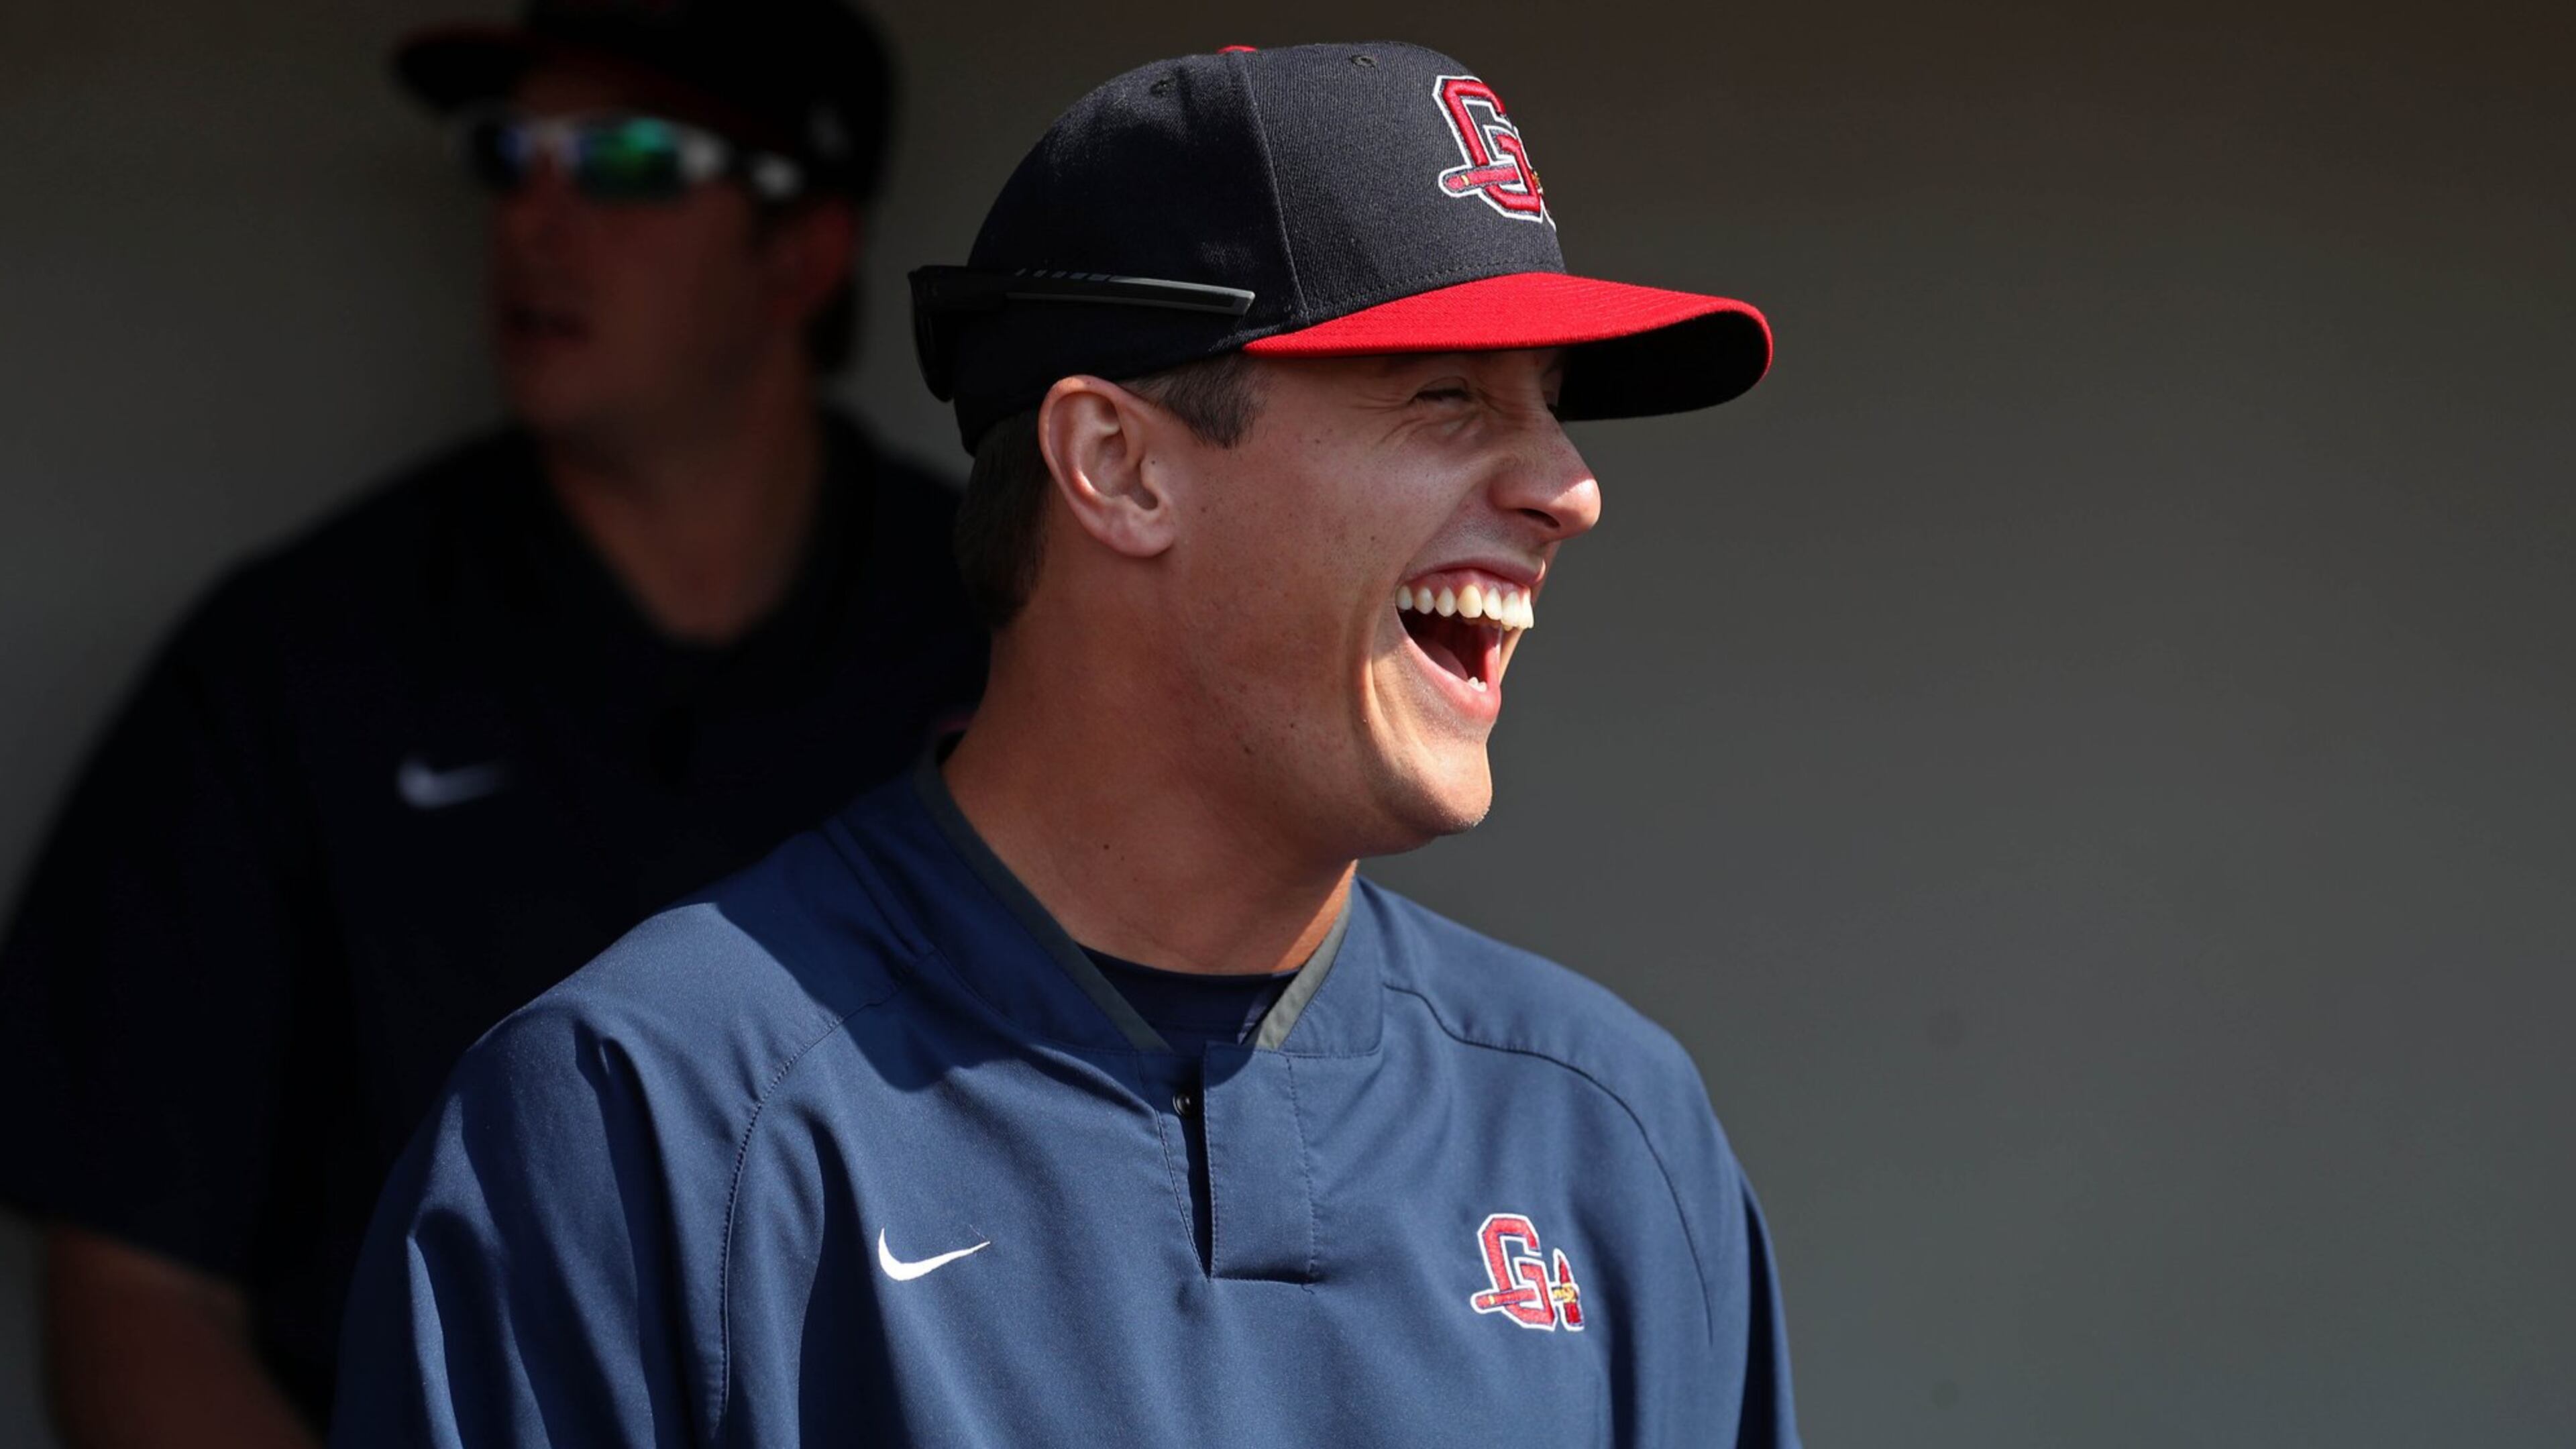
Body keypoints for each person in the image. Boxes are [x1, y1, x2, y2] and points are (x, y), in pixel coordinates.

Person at [333, 40, 1795, 1447]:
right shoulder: (638, 1122)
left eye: (1550, 408)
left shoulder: (1612, 1132)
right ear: (1117, 466)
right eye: (1446, 397)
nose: (1569, 489)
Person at [0, 1, 984, 1442]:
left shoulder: (1011, 637)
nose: (536, 214)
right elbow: (132, 1286)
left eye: (629, 161)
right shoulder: (299, 660)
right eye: (510, 154)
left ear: (802, 249)